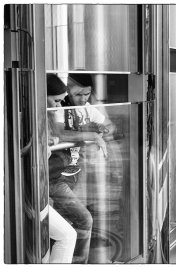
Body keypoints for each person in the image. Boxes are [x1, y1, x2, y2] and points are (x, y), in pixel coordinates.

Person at [47, 73, 93, 264]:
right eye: (56, 101)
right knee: (83, 220)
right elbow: (59, 133)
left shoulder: (49, 112)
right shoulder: (46, 113)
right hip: (52, 179)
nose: (59, 105)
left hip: (61, 175)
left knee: (68, 228)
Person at [46, 74, 77, 263]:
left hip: (43, 186)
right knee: (67, 235)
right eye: (56, 101)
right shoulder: (29, 118)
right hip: (35, 188)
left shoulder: (46, 116)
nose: (59, 106)